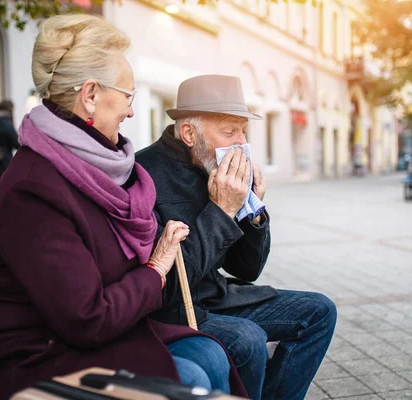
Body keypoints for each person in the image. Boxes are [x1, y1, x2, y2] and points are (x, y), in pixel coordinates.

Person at [0, 16, 247, 400]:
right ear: (91, 95)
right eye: (128, 97)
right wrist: (157, 266)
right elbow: (87, 318)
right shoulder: (34, 187)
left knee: (211, 353)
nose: (130, 112)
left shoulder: (91, 166)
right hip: (36, 355)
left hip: (97, 332)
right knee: (194, 366)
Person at [136, 75, 337, 400]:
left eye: (243, 131)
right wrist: (220, 209)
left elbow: (247, 269)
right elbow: (169, 285)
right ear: (188, 133)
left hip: (217, 298)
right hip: (174, 311)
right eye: (229, 132)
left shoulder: (213, 165)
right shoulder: (144, 175)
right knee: (248, 338)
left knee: (319, 311)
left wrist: (252, 213)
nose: (241, 143)